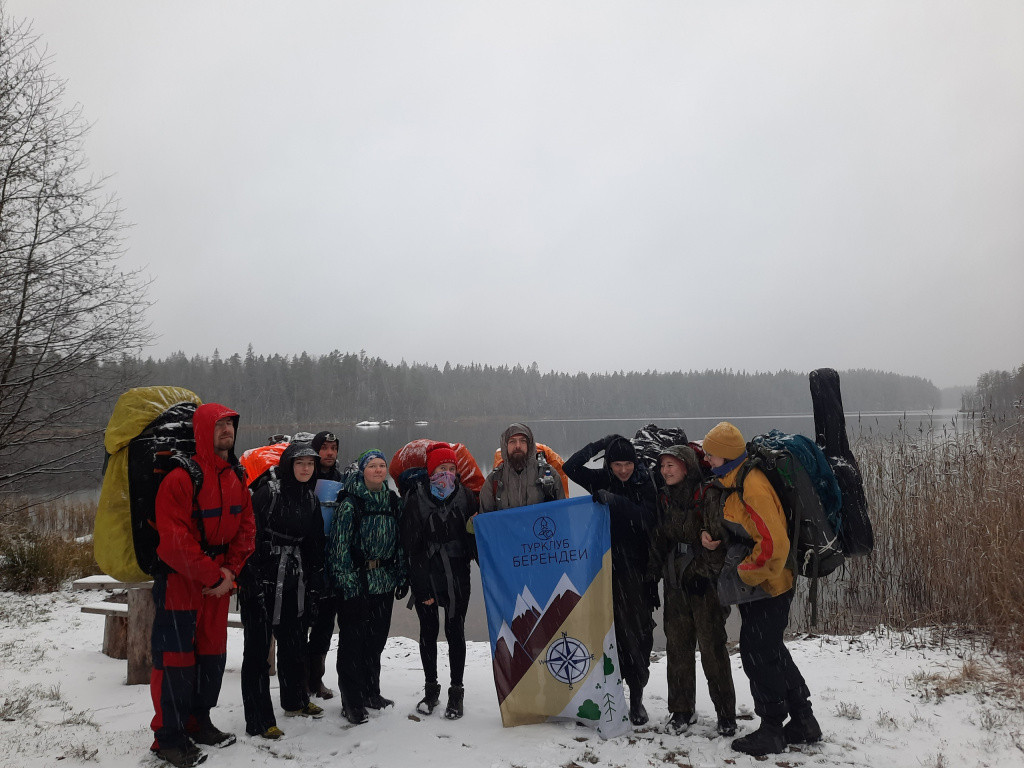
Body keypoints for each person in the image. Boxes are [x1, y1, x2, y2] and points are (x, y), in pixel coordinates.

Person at [699, 422, 821, 756]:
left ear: (724, 455)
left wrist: (744, 575)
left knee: (758, 655)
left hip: (770, 585)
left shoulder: (751, 485)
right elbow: (750, 529)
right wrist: (721, 540)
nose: (706, 459)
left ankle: (771, 730)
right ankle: (803, 721)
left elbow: (775, 545)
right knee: (771, 649)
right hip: (764, 584)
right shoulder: (734, 481)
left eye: (709, 453)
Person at [150, 403, 256, 768]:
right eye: (219, 424)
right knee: (174, 662)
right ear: (202, 430)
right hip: (181, 582)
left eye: (231, 423)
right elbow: (173, 540)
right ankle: (169, 737)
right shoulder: (181, 478)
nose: (227, 430)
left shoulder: (236, 476)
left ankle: (199, 721)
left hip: (219, 585)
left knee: (212, 656)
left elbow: (246, 529)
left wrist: (230, 573)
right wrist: (215, 576)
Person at [563, 433, 658, 725]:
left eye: (627, 463)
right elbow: (570, 467)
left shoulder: (646, 482)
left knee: (637, 636)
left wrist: (616, 501)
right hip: (602, 571)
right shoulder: (601, 478)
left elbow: (647, 519)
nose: (623, 470)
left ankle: (637, 698)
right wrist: (601, 443)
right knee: (604, 634)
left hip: (637, 574)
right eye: (617, 463)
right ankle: (608, 696)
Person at [238, 443, 327, 740]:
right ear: (288, 464)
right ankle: (259, 719)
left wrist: (315, 586)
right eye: (300, 463)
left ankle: (295, 701)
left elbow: (315, 545)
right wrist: (251, 582)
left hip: (294, 580)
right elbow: (249, 536)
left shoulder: (310, 500)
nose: (305, 469)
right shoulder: (268, 494)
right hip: (262, 579)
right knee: (257, 651)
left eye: (310, 464)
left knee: (294, 644)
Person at [647, 445, 736, 736]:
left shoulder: (707, 494)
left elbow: (718, 541)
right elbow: (660, 539)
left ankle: (726, 714)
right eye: (663, 466)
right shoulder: (664, 497)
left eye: (672, 465)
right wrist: (651, 578)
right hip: (675, 584)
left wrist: (703, 573)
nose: (666, 471)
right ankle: (681, 711)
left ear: (686, 466)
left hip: (704, 586)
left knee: (712, 649)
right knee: (678, 648)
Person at [326, 448, 407, 725]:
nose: (378, 470)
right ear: (363, 471)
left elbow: (400, 544)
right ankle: (352, 701)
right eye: (372, 465)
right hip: (357, 583)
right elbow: (339, 548)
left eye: (382, 465)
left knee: (376, 642)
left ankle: (372, 692)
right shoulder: (351, 504)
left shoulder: (392, 501)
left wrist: (401, 574)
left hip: (383, 582)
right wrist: (347, 584)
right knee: (352, 645)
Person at [401, 442, 478, 720]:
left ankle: (456, 693)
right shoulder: (415, 498)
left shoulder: (467, 497)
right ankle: (431, 689)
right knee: (429, 632)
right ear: (430, 471)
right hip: (428, 576)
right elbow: (411, 546)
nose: (446, 474)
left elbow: (476, 541)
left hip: (458, 577)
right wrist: (421, 587)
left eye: (451, 469)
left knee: (456, 631)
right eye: (440, 469)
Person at [305, 430, 346, 700]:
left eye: (333, 448)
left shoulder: (342, 479)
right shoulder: (304, 476)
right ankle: (296, 679)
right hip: (307, 558)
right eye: (324, 448)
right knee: (300, 624)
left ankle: (314, 680)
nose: (329, 453)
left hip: (333, 558)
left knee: (324, 625)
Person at [478, 423, 565, 513]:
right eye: (512, 441)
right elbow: (485, 521)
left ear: (529, 445)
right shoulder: (493, 481)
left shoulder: (550, 475)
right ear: (505, 446)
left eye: (523, 441)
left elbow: (562, 514)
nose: (518, 446)